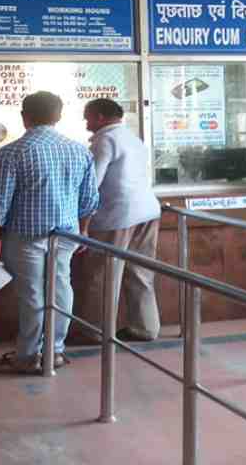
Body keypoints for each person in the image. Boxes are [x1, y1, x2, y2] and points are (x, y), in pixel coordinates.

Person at [0, 91, 99, 374]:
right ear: (58, 117)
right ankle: (55, 351)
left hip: (25, 237)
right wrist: (83, 232)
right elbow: (90, 200)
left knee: (32, 295)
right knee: (61, 289)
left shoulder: (12, 152)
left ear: (25, 117)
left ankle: (29, 355)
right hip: (67, 235)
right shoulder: (79, 150)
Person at [72, 99, 162, 344]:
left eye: (88, 117)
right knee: (141, 273)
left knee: (103, 275)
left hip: (117, 216)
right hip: (148, 212)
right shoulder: (133, 138)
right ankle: (145, 327)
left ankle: (95, 331)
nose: (86, 122)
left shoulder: (105, 140)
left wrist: (83, 223)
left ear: (100, 117)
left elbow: (92, 185)